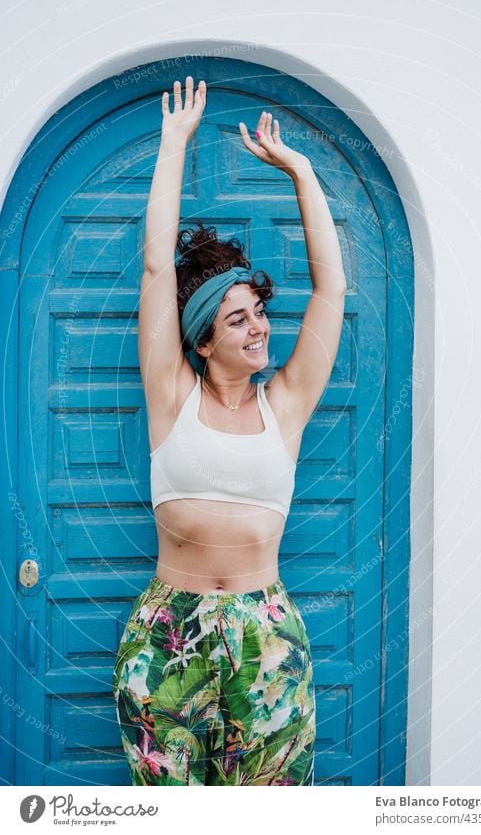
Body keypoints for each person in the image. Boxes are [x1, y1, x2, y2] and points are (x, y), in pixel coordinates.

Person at [112, 76, 346, 786]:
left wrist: (302, 172)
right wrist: (174, 143)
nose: (260, 326)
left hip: (265, 639)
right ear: (201, 340)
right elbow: (158, 265)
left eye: (259, 311)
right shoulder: (171, 395)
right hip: (165, 634)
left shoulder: (288, 404)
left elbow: (330, 289)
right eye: (237, 317)